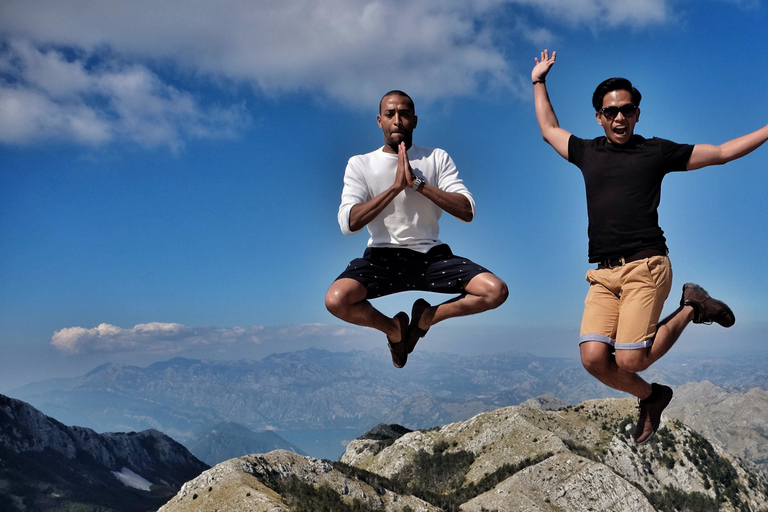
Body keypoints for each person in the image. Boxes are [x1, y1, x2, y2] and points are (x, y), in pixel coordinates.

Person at [531, 49, 768, 444]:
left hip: (647, 265)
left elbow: (722, 153)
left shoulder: (655, 151)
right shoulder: (587, 152)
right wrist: (539, 81)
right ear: (599, 117)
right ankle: (653, 396)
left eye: (627, 109)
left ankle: (693, 305)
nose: (619, 117)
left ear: (637, 113)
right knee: (593, 358)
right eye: (611, 111)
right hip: (603, 274)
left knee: (629, 358)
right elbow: (549, 129)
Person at [325, 90, 508, 368]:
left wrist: (418, 185)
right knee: (336, 300)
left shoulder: (436, 158)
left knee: (496, 291)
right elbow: (348, 223)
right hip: (381, 257)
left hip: (431, 256)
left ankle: (427, 318)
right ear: (379, 120)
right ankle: (393, 330)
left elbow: (467, 210)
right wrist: (395, 188)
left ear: (415, 120)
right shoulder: (360, 164)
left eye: (404, 114)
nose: (397, 120)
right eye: (390, 114)